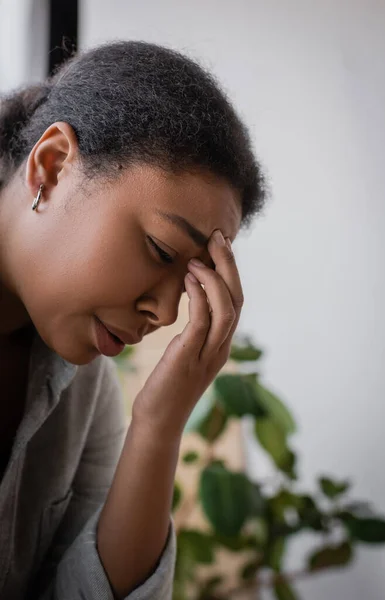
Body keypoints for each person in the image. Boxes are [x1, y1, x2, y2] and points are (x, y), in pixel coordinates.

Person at [0, 41, 266, 599]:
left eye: (189, 282)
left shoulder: (82, 385)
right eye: (161, 251)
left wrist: (159, 426)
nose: (166, 313)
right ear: (52, 167)